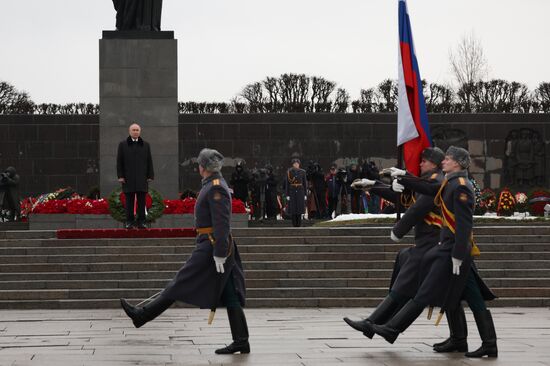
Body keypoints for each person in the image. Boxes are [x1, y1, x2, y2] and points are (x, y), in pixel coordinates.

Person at [362, 146, 497, 358]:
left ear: (459, 163)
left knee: (429, 291)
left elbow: (463, 226)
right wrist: (404, 177)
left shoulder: (460, 186)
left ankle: (392, 329)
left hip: (455, 250)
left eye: (449, 159)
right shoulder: (449, 182)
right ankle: (473, 342)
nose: (444, 161)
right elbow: (428, 188)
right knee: (471, 296)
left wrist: (458, 255)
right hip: (450, 249)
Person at [120, 148, 249, 354]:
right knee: (230, 291)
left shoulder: (216, 188)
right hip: (211, 244)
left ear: (203, 167)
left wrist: (219, 251)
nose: (198, 166)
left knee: (180, 282)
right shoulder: (210, 185)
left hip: (211, 246)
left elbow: (222, 224)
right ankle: (242, 341)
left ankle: (141, 315)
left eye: (199, 163)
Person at [343, 147, 445, 339]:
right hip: (427, 242)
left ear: (435, 163)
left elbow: (416, 209)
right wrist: (373, 185)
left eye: (425, 161)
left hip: (433, 243)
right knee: (407, 270)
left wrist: (398, 230)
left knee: (409, 278)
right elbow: (403, 198)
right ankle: (377, 324)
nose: (421, 163)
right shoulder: (429, 182)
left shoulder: (436, 182)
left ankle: (376, 324)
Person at [116, 123, 154, 229]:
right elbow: (119, 162)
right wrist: (120, 176)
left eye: (137, 130)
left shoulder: (145, 145)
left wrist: (150, 175)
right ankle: (129, 221)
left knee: (142, 201)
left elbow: (149, 160)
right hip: (128, 178)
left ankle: (142, 221)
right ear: (129, 131)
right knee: (129, 201)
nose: (135, 132)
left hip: (142, 178)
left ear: (140, 131)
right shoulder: (123, 144)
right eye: (133, 130)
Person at [284, 158, 307, 227]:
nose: (296, 165)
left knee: (299, 208)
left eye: (297, 163)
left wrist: (305, 194)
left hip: (300, 191)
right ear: (293, 164)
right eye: (295, 164)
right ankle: (294, 224)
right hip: (292, 191)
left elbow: (304, 183)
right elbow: (287, 184)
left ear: (299, 164)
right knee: (293, 208)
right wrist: (287, 194)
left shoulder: (303, 172)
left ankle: (299, 224)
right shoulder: (289, 172)